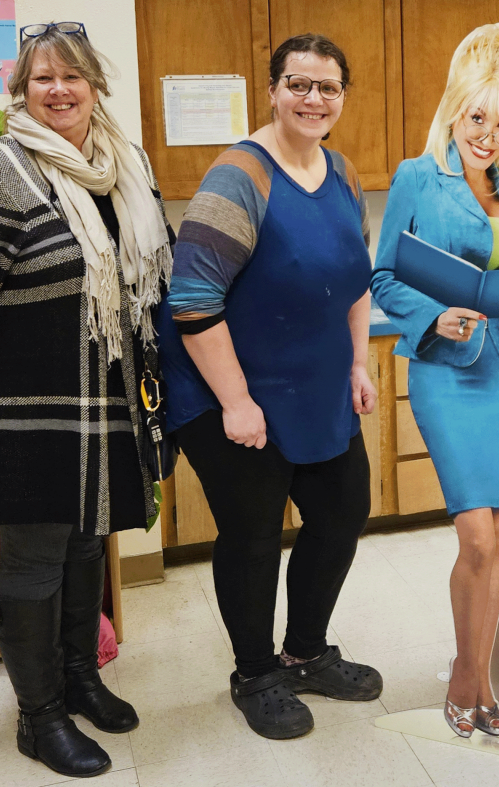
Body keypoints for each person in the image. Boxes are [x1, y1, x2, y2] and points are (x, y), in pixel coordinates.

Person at [0, 22, 173, 778]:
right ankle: (39, 714)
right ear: (20, 91)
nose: (58, 91)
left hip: (107, 404)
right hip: (26, 412)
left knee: (89, 542)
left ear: (96, 85)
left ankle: (80, 675)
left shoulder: (121, 165)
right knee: (34, 557)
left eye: (73, 77)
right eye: (41, 80)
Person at [156, 33, 382, 741]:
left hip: (314, 381)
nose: (313, 99)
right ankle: (255, 671)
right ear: (273, 90)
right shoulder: (239, 177)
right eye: (298, 84)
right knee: (254, 535)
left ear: (343, 96)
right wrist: (236, 400)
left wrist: (357, 362)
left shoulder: (340, 171)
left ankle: (307, 652)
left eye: (328, 87)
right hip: (230, 386)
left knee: (342, 512)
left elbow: (354, 277)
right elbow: (193, 302)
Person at [371, 23, 499, 739]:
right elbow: (384, 279)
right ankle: (468, 676)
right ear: (454, 110)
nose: (488, 135)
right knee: (478, 536)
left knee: (497, 532)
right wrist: (437, 316)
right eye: (477, 117)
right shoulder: (415, 177)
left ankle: (476, 673)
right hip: (443, 373)